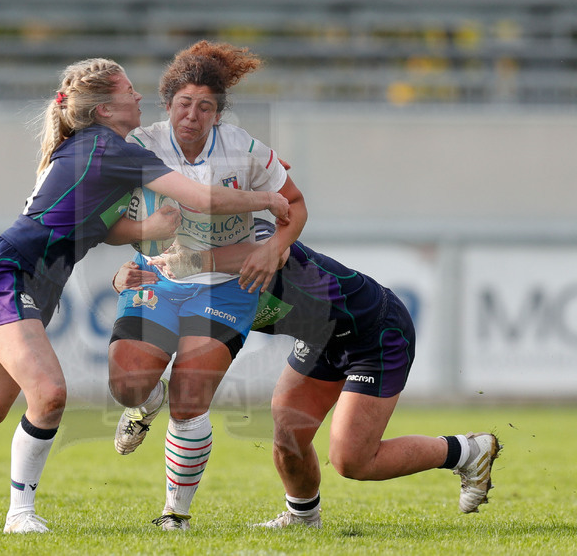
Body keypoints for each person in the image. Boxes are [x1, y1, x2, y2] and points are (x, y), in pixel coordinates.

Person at [0, 57, 290, 534]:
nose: (138, 96)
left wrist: (146, 227)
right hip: (8, 276)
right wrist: (267, 197)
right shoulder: (110, 148)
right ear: (104, 109)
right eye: (128, 90)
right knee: (50, 394)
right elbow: (201, 198)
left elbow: (99, 227)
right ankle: (20, 515)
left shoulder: (94, 147)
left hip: (24, 280)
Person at [116, 217, 502, 529]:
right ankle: (303, 518)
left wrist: (198, 261)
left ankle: (468, 451)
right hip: (320, 338)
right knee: (288, 433)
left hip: (375, 331)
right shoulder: (178, 269)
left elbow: (275, 251)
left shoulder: (248, 236)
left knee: (352, 460)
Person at [104, 41, 307, 531]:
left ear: (218, 113)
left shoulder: (246, 150)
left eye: (205, 107)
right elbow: (104, 220)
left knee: (190, 396)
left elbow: (295, 205)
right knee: (127, 385)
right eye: (183, 104)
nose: (192, 116)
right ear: (167, 103)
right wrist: (123, 264)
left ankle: (175, 513)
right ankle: (145, 403)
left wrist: (273, 248)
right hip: (158, 276)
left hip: (226, 286)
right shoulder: (139, 145)